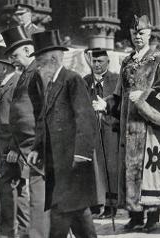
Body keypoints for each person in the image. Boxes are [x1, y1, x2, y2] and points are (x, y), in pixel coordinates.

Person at [92, 15, 160, 233]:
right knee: (130, 171)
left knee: (149, 172)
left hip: (150, 128)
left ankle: (151, 217)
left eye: (141, 33)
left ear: (150, 34)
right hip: (129, 128)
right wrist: (107, 103)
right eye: (134, 33)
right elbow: (119, 94)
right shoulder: (127, 61)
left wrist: (144, 96)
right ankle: (134, 215)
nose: (137, 37)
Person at [27, 29, 101, 237]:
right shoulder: (50, 85)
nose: (38, 69)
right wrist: (37, 148)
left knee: (60, 210)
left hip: (72, 161)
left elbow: (86, 119)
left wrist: (81, 154)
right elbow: (45, 120)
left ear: (52, 60)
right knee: (77, 212)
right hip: (57, 161)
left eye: (40, 63)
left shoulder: (72, 80)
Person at [1, 25, 50, 238]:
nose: (12, 60)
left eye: (15, 55)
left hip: (37, 145)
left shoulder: (38, 71)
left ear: (29, 51)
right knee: (37, 195)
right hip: (26, 145)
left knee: (39, 196)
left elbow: (46, 109)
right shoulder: (25, 73)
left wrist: (39, 144)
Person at [0, 44, 26, 237]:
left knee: (12, 191)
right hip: (4, 149)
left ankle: (10, 233)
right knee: (14, 192)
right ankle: (17, 232)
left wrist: (14, 148)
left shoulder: (17, 84)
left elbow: (20, 118)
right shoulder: (3, 85)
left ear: (4, 68)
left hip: (12, 149)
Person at [83, 48, 119, 219]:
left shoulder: (116, 80)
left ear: (107, 62)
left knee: (110, 166)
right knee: (93, 166)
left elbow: (121, 104)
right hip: (91, 129)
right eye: (94, 61)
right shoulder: (85, 81)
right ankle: (95, 204)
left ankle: (112, 205)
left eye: (100, 61)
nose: (97, 65)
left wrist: (108, 108)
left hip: (110, 127)